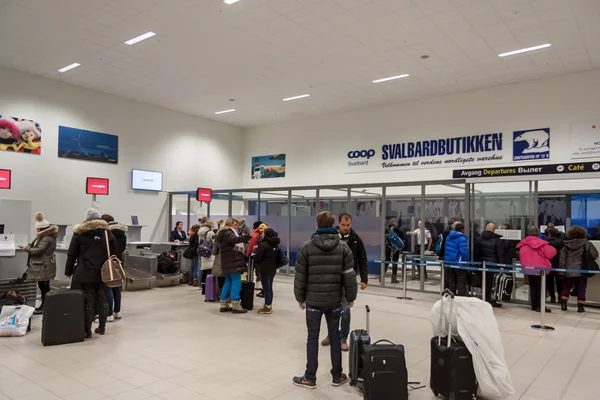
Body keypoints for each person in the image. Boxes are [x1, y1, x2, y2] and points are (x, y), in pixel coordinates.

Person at [293, 211, 358, 389]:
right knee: (336, 336)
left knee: (312, 337)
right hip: (335, 300)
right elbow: (349, 276)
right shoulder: (344, 248)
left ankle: (310, 377)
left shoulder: (306, 247)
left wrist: (300, 297)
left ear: (318, 224)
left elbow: (300, 276)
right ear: (333, 224)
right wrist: (351, 297)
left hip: (313, 301)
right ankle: (337, 376)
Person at [65, 208, 116, 338]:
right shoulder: (107, 233)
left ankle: (87, 330)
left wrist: (68, 271)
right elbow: (115, 251)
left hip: (85, 272)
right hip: (103, 272)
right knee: (103, 299)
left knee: (89, 300)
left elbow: (72, 254)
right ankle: (102, 327)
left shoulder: (79, 233)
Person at [321, 213, 367, 351]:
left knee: (345, 311)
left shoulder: (356, 240)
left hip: (348, 281)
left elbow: (362, 259)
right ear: (338, 224)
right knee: (331, 310)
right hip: (332, 279)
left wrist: (364, 278)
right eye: (343, 225)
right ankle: (331, 334)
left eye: (348, 225)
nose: (346, 228)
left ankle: (342, 338)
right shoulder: (331, 237)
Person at [22, 212, 57, 315]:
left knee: (44, 287)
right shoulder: (44, 237)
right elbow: (36, 245)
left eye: (38, 229)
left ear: (42, 229)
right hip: (44, 265)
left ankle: (45, 306)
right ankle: (46, 305)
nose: (36, 231)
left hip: (43, 265)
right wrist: (29, 245)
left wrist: (26, 248)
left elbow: (38, 251)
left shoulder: (46, 238)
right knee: (43, 286)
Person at [559, 226, 599, 313]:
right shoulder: (587, 243)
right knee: (582, 288)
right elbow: (595, 254)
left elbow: (562, 259)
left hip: (569, 271)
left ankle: (564, 304)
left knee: (567, 287)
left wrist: (561, 272)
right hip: (582, 270)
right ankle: (580, 307)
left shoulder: (566, 245)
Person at [517, 227, 556, 313]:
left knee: (533, 286)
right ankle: (541, 306)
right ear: (538, 234)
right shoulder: (541, 244)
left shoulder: (523, 244)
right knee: (541, 288)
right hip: (541, 269)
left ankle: (534, 305)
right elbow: (551, 253)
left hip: (529, 269)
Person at [217, 218, 251, 313]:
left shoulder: (223, 232)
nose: (237, 226)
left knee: (228, 281)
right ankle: (235, 304)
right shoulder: (228, 232)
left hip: (227, 261)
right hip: (233, 260)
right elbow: (235, 240)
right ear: (230, 223)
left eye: (237, 224)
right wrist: (248, 236)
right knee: (236, 281)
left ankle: (224, 304)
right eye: (235, 224)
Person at [102, 214, 127, 322]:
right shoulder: (122, 234)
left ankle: (109, 314)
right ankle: (118, 311)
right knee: (117, 287)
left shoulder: (108, 234)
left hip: (108, 262)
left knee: (108, 287)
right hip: (119, 261)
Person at [474, 223, 504, 307]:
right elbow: (499, 254)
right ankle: (489, 299)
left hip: (482, 265)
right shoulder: (497, 240)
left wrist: (476, 265)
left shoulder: (479, 239)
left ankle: (484, 297)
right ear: (494, 229)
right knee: (491, 283)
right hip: (492, 265)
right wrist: (501, 265)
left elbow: (476, 253)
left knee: (484, 282)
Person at [254, 228, 280, 314]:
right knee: (269, 287)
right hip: (272, 268)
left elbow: (258, 257)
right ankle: (269, 305)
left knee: (266, 288)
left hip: (264, 268)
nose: (261, 235)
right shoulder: (275, 245)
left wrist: (255, 251)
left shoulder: (263, 245)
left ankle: (267, 307)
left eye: (263, 233)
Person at [443, 223, 469, 296]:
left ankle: (451, 295)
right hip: (458, 262)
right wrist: (466, 261)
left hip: (449, 261)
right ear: (462, 229)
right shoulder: (461, 238)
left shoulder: (449, 237)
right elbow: (464, 251)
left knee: (451, 279)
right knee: (461, 280)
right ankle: (461, 295)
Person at [545, 227, 564, 303]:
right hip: (560, 262)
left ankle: (552, 297)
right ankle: (560, 297)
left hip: (550, 262)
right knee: (560, 281)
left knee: (549, 281)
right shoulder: (563, 242)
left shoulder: (547, 242)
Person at [198, 219, 216, 295]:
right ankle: (210, 289)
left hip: (203, 253)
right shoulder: (210, 232)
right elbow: (214, 242)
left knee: (204, 270)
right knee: (210, 271)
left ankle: (203, 289)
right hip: (210, 253)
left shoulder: (200, 232)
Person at [384, 219, 404, 283]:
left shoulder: (386, 230)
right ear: (395, 223)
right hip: (395, 249)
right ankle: (393, 278)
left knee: (386, 261)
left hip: (388, 248)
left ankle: (381, 276)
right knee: (394, 263)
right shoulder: (397, 230)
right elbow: (402, 238)